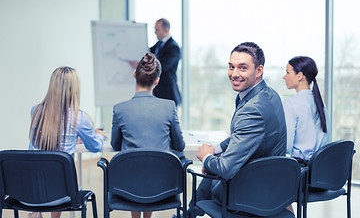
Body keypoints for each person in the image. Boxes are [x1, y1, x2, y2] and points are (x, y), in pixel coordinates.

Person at [187, 42, 287, 218]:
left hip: (251, 193)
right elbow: (240, 136)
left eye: (242, 68)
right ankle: (189, 214)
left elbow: (226, 169)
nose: (234, 74)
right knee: (212, 165)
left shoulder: (252, 110)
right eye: (231, 67)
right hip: (275, 185)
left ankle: (189, 214)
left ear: (258, 71)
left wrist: (206, 157)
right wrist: (215, 150)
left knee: (210, 171)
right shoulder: (270, 94)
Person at [111, 52, 185, 218]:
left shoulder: (119, 108)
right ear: (157, 81)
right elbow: (180, 146)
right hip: (162, 185)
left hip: (128, 186)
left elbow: (116, 145)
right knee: (150, 170)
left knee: (136, 170)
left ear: (134, 74)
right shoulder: (169, 106)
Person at [29, 66, 104, 218]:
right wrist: (100, 136)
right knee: (60, 180)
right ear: (74, 89)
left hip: (32, 190)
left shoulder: (35, 111)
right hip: (63, 193)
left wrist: (72, 139)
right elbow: (95, 147)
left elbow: (44, 141)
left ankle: (37, 212)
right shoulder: (79, 118)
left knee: (49, 173)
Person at [283, 56, 331, 162]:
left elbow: (286, 146)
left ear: (299, 75)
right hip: (321, 168)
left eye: (287, 72)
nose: (284, 77)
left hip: (301, 169)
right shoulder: (320, 103)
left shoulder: (290, 103)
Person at [149, 18, 181, 106]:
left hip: (168, 94)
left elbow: (163, 66)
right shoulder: (158, 45)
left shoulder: (173, 47)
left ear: (166, 30)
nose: (155, 32)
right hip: (158, 93)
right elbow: (147, 51)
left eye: (157, 30)